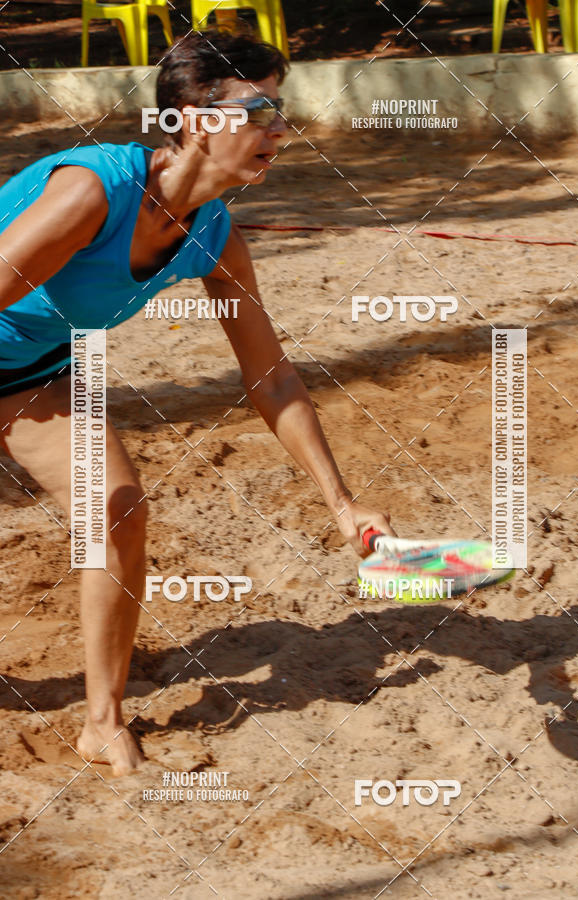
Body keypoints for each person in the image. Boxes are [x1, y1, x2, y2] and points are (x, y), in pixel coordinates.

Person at [0, 29, 394, 775]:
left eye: (281, 110)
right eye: (258, 110)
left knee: (116, 506)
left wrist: (342, 504)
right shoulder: (93, 191)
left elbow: (271, 377)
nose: (280, 128)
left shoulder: (213, 234)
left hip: (28, 373)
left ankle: (101, 720)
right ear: (190, 118)